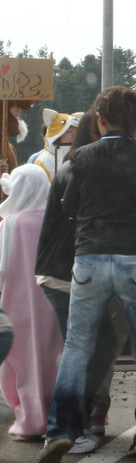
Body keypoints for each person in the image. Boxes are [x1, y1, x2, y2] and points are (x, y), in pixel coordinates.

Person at [37, 86, 136, 463]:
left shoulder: (84, 157)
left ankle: (60, 431)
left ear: (101, 119)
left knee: (76, 349)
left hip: (89, 260)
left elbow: (69, 207)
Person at [34, 110, 126, 455]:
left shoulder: (76, 166)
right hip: (66, 274)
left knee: (90, 348)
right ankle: (65, 428)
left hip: (64, 273)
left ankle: (67, 427)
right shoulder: (83, 170)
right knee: (82, 350)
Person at [0, 164, 63, 440]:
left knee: (22, 360)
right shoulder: (57, 219)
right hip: (53, 300)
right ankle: (58, 416)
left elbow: (1, 267)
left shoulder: (11, 223)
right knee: (54, 358)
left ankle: (30, 417)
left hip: (18, 302)